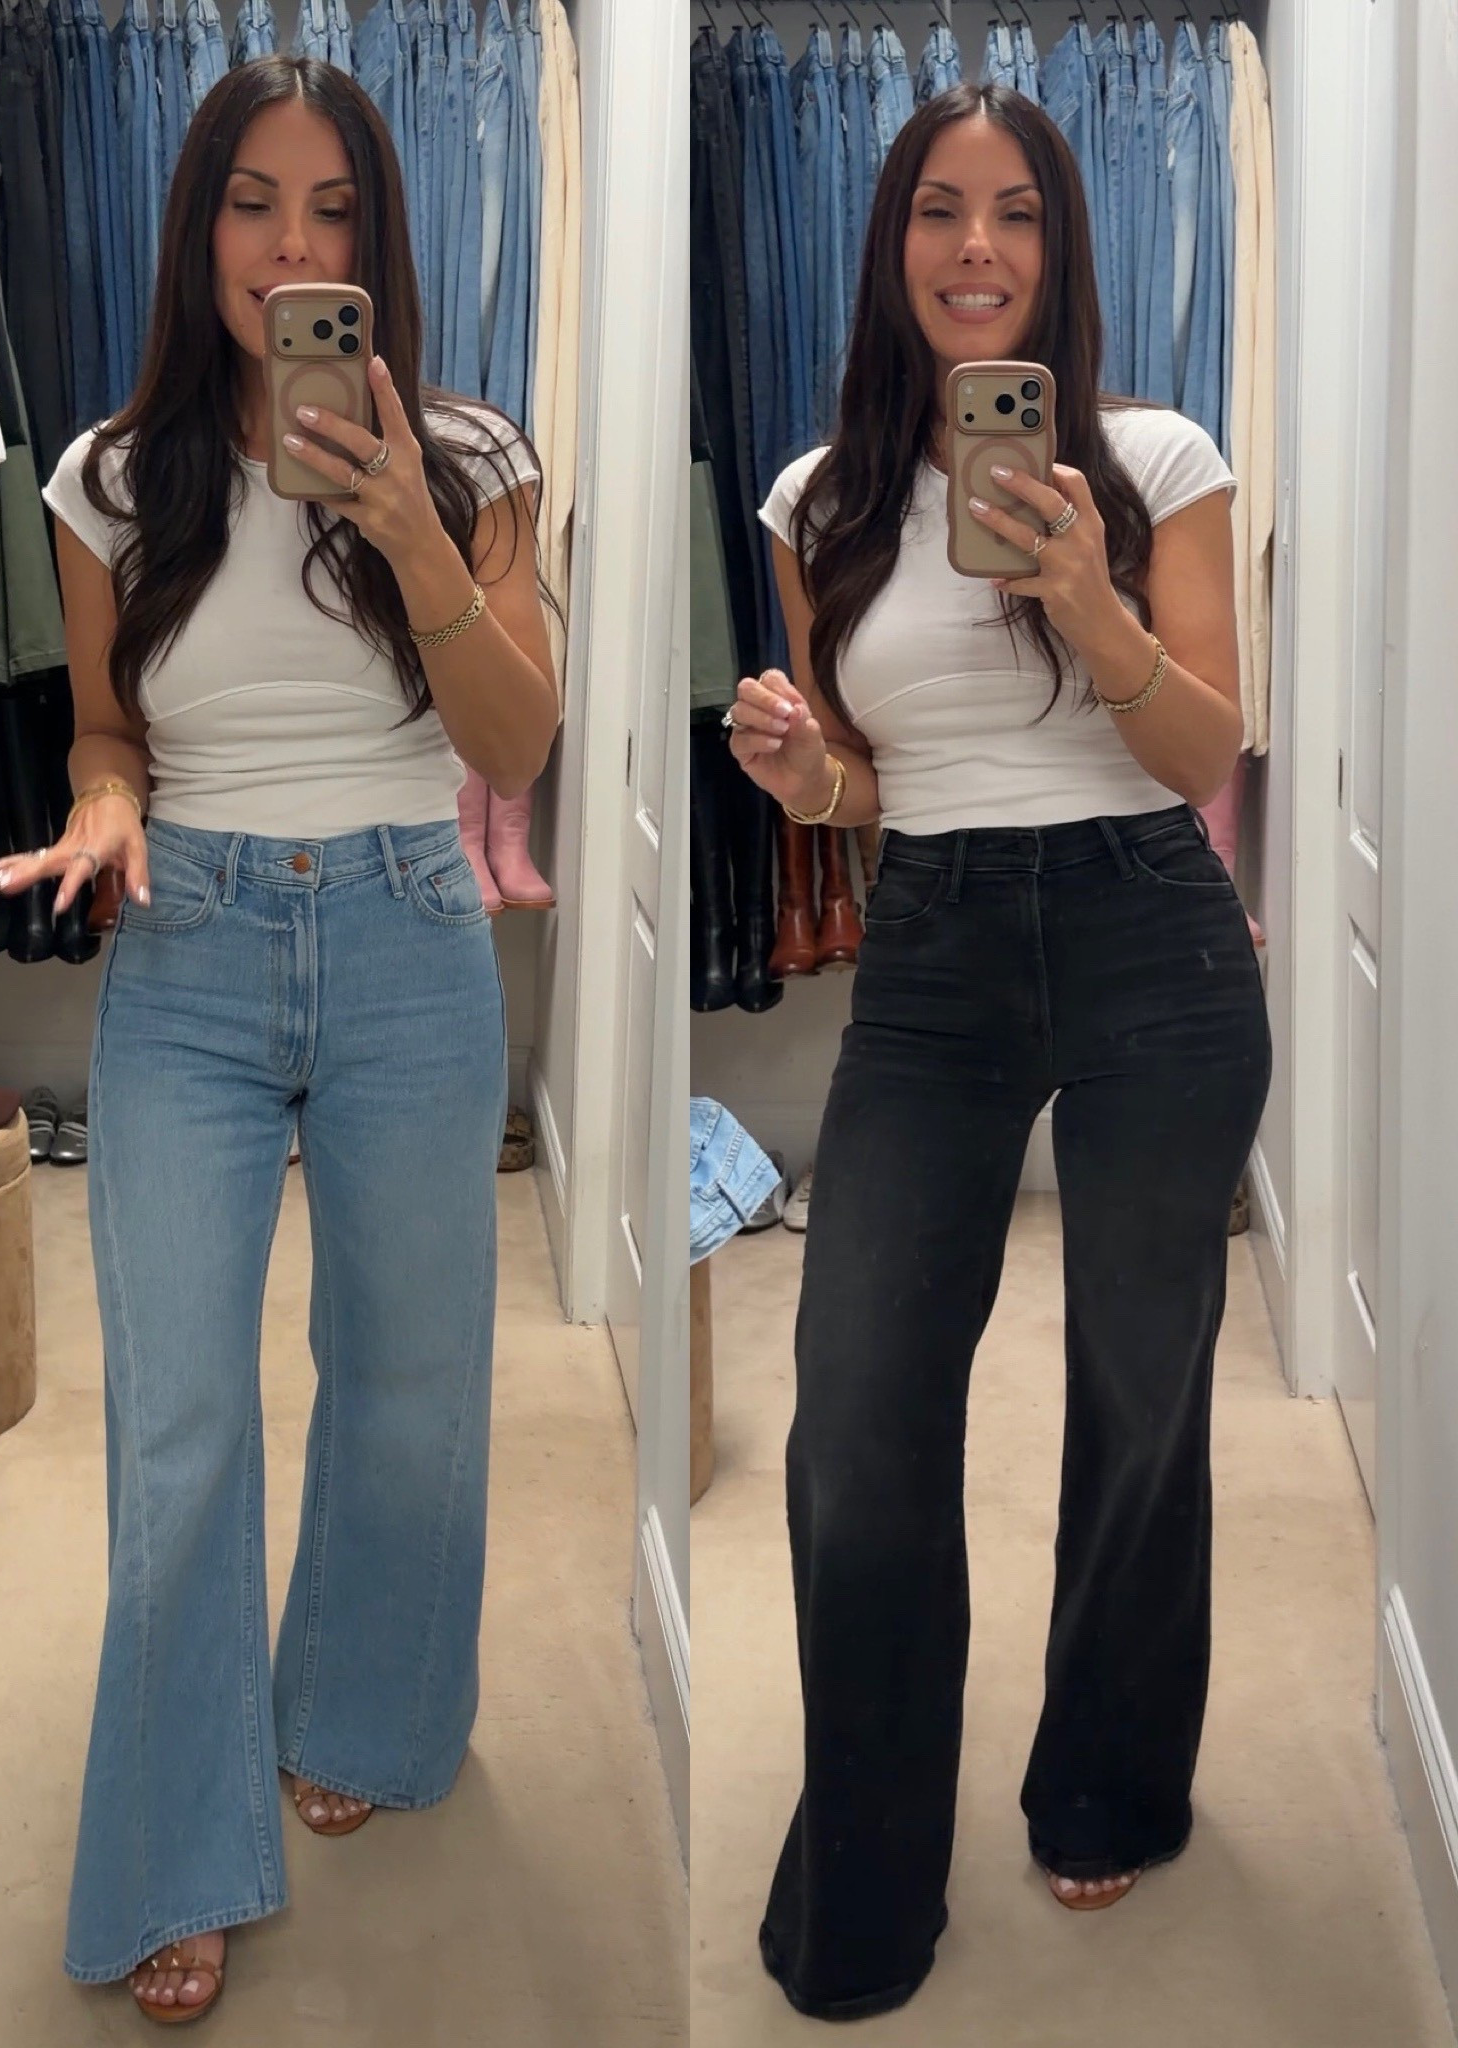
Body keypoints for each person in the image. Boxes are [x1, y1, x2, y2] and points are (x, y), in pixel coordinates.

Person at [0, 56, 558, 2024]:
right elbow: (107, 726)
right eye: (253, 201)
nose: (290, 244)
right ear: (197, 226)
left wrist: (411, 528)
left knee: (408, 1377)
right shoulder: (107, 476)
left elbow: (518, 742)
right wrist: (109, 800)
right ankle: (171, 1844)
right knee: (179, 1419)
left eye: (331, 208)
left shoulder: (472, 454)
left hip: (409, 934)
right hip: (192, 949)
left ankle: (367, 1704)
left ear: (377, 241)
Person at [724, 84, 1271, 2022]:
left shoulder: (1158, 457)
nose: (977, 247)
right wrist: (809, 775)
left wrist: (1091, 603)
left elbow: (1203, 754)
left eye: (1017, 211)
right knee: (859, 1414)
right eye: (940, 211)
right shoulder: (818, 502)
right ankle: (868, 1873)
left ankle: (1106, 1774)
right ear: (891, 246)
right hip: (937, 954)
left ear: (1064, 244)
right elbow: (878, 784)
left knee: (1142, 1387)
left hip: (1152, 939)